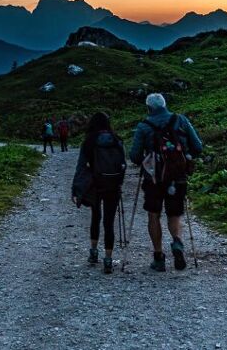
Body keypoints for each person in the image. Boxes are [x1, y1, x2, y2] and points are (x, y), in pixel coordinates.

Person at [129, 93, 203, 272]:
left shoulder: (144, 126)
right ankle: (177, 242)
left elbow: (135, 156)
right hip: (177, 176)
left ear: (148, 108)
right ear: (165, 104)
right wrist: (185, 156)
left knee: (153, 214)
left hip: (153, 178)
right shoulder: (181, 120)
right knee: (174, 214)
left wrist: (146, 158)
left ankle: (158, 257)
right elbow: (198, 146)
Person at [71, 112, 126, 273]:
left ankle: (94, 252)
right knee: (109, 222)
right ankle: (108, 259)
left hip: (95, 184)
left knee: (96, 217)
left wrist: (76, 188)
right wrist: (119, 181)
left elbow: (81, 166)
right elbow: (123, 164)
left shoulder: (89, 141)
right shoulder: (117, 140)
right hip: (113, 185)